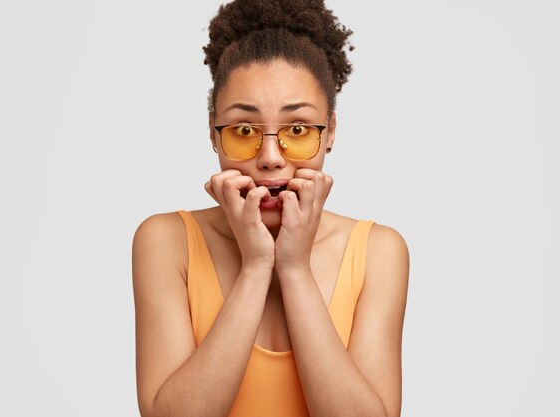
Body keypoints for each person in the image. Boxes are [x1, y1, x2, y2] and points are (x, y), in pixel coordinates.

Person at [132, 1, 410, 416]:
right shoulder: (165, 240)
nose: (270, 157)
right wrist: (257, 264)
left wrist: (294, 268)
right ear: (213, 132)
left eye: (297, 129)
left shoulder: (379, 251)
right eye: (244, 130)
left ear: (330, 131)